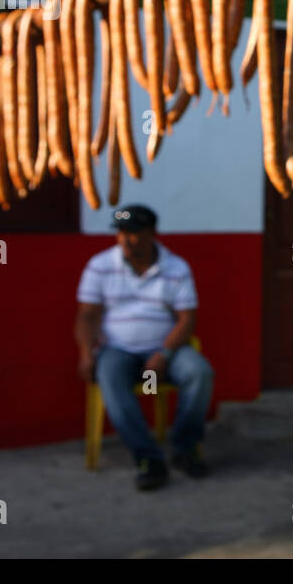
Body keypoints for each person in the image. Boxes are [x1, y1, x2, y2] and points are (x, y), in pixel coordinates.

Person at [75, 204, 214, 490]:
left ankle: (184, 449)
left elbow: (187, 320)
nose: (126, 239)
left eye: (134, 233)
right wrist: (86, 354)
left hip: (165, 349)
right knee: (109, 377)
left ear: (152, 233)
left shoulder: (176, 267)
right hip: (117, 349)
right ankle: (148, 458)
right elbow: (86, 315)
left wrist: (163, 354)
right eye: (121, 232)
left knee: (200, 372)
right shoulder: (100, 265)